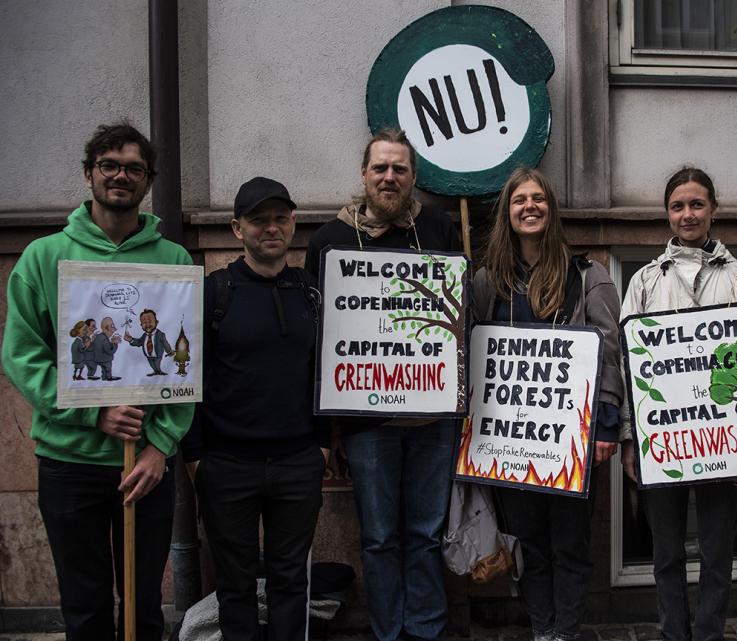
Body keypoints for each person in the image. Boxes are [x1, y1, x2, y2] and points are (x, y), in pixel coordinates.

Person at [1, 122, 195, 641]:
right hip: (70, 465)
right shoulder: (44, 258)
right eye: (109, 165)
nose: (121, 176)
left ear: (147, 180)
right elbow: (22, 356)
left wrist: (161, 445)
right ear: (89, 174)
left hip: (147, 468)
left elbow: (186, 365)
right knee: (84, 608)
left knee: (144, 607)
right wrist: (93, 411)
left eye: (134, 168)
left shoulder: (173, 260)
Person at [305, 129, 461, 641]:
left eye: (399, 169)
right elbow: (320, 338)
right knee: (377, 537)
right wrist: (327, 432)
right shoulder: (330, 240)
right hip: (366, 422)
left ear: (414, 177)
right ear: (364, 174)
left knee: (424, 534)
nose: (389, 177)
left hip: (433, 419)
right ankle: (388, 632)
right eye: (381, 168)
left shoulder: (438, 227)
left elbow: (460, 318)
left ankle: (426, 629)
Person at [472, 167, 624, 641]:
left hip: (572, 442)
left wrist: (605, 423)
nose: (529, 206)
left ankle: (567, 631)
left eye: (538, 198)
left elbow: (609, 352)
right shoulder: (486, 280)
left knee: (570, 545)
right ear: (508, 213)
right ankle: (543, 630)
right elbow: (475, 354)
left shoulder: (587, 275)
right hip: (510, 443)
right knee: (529, 543)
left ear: (551, 208)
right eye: (520, 200)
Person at [182, 177, 330, 641]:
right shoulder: (214, 293)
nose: (271, 228)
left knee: (291, 581)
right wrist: (195, 457)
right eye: (258, 220)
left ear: (293, 225)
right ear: (236, 228)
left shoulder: (312, 292)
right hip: (226, 465)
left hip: (298, 463)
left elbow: (328, 369)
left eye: (280, 218)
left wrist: (322, 447)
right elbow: (187, 378)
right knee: (235, 583)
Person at [620, 167, 737, 641]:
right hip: (662, 438)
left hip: (724, 440)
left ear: (713, 210)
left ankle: (708, 633)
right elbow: (626, 364)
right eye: (678, 206)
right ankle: (673, 633)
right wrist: (629, 438)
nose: (688, 214)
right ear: (667, 214)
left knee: (718, 552)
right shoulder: (643, 281)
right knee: (667, 554)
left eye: (697, 204)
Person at [124, 309, 174, 376]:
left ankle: (159, 371)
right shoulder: (144, 336)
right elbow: (139, 342)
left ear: (156, 322)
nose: (147, 324)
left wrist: (169, 351)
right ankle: (155, 371)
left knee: (157, 364)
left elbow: (165, 344)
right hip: (148, 356)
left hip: (157, 355)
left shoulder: (160, 334)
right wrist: (130, 339)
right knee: (152, 365)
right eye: (144, 323)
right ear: (141, 325)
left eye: (150, 322)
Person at [92, 316, 122, 381]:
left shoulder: (100, 336)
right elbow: (110, 351)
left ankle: (105, 377)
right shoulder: (104, 339)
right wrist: (115, 344)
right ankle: (108, 377)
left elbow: (104, 347)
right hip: (104, 359)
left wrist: (111, 343)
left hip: (98, 358)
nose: (115, 329)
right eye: (112, 326)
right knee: (107, 368)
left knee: (104, 369)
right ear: (107, 328)